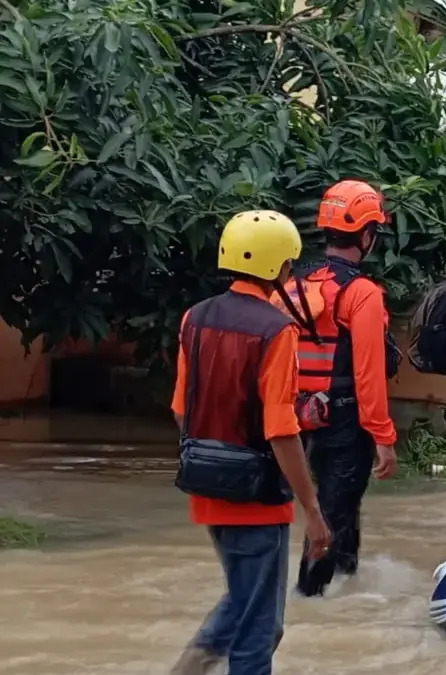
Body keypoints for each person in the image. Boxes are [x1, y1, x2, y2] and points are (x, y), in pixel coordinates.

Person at [170, 211, 331, 675]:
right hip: (255, 496)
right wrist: (313, 510)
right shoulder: (277, 330)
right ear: (280, 268)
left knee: (243, 602)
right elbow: (281, 430)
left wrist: (212, 461)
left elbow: (182, 409)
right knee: (260, 628)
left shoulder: (194, 318)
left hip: (205, 487)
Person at [290, 179, 398, 598]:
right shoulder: (362, 294)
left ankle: (347, 587)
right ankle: (311, 597)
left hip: (294, 420)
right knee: (333, 513)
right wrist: (384, 438)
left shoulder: (294, 285)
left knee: (340, 507)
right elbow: (369, 374)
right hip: (345, 422)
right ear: (367, 235)